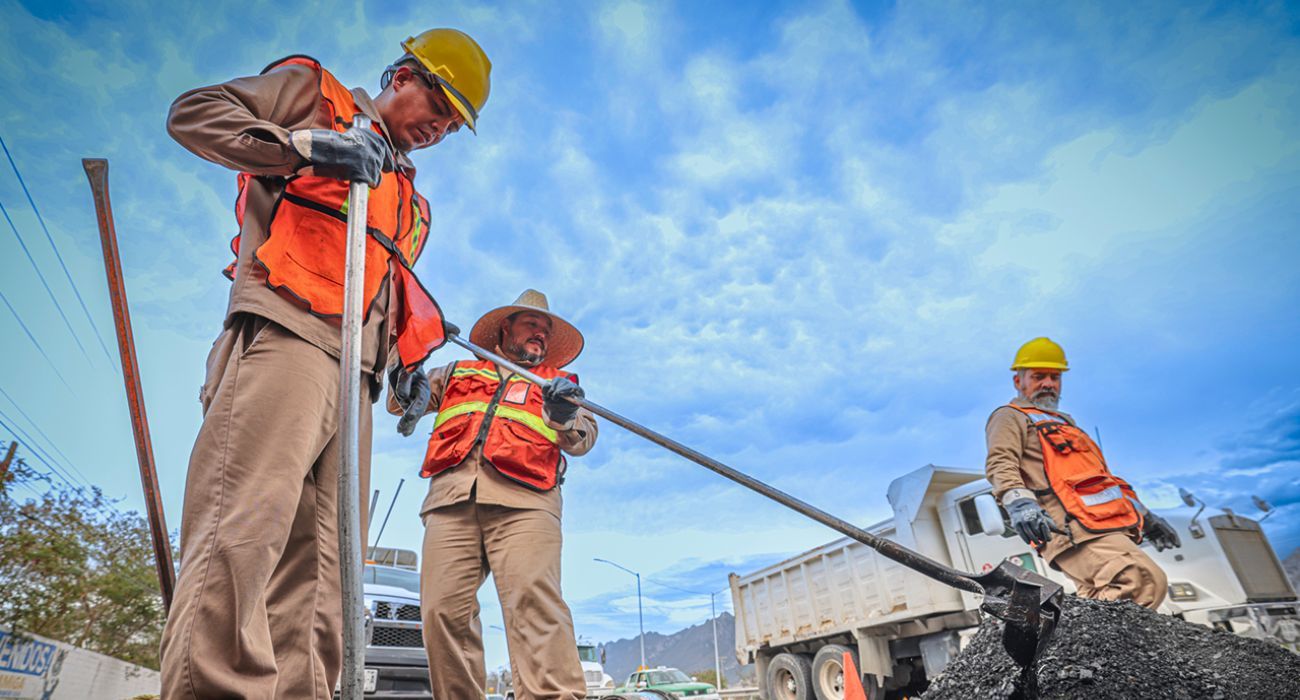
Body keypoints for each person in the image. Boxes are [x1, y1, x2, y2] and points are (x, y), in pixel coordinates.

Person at [159, 28, 491, 698]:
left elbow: (379, 290)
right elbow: (193, 116)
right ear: (403, 76)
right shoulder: (319, 97)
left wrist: (400, 366)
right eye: (440, 105)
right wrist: (306, 148)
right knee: (244, 534)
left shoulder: (413, 206)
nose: (440, 128)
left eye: (454, 125)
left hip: (357, 384)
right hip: (289, 337)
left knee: (325, 577)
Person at [391, 289, 596, 699]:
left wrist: (564, 414)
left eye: (546, 330)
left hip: (527, 505)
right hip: (451, 502)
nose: (540, 334)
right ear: (506, 328)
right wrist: (411, 357)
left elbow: (584, 437)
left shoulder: (559, 387)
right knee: (441, 612)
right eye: (532, 324)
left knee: (534, 604)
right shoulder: (456, 373)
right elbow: (401, 400)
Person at [984, 337, 1180, 609]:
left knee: (1097, 600)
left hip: (1102, 523)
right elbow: (1000, 462)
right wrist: (1019, 503)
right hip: (1069, 527)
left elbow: (1103, 480)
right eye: (1038, 376)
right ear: (1018, 381)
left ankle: (1072, 636)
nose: (1048, 384)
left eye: (1055, 377)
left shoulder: (1066, 423)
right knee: (1141, 580)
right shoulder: (1010, 416)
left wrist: (1146, 517)